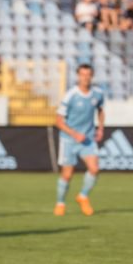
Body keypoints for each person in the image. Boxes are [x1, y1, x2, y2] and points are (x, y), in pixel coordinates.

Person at [54, 64, 105, 217]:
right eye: (82, 74)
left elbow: (101, 110)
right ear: (78, 76)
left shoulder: (98, 93)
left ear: (92, 76)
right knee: (67, 175)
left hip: (87, 139)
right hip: (69, 140)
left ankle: (82, 196)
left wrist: (101, 128)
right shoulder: (71, 95)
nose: (85, 77)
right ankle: (60, 203)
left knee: (94, 169)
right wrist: (74, 134)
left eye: (88, 74)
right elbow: (58, 121)